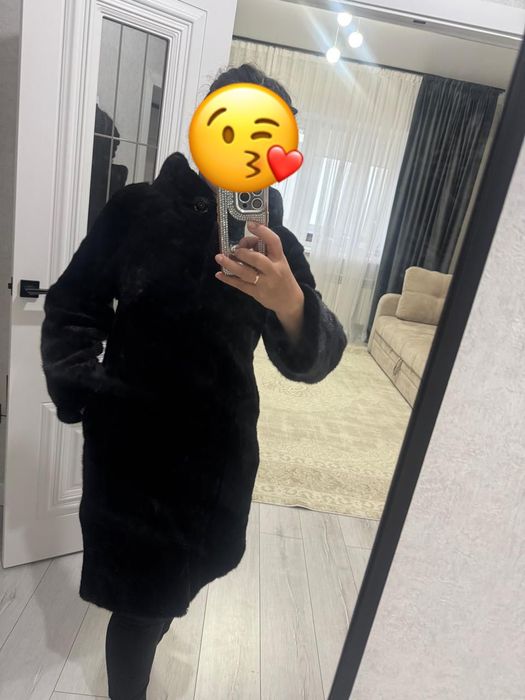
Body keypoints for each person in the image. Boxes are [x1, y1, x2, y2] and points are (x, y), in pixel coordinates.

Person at [40, 63, 347, 700]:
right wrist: (85, 392)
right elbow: (74, 304)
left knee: (174, 590)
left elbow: (315, 358)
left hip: (217, 458)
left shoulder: (276, 244)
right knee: (139, 606)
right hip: (134, 455)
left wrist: (290, 301)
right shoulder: (136, 210)